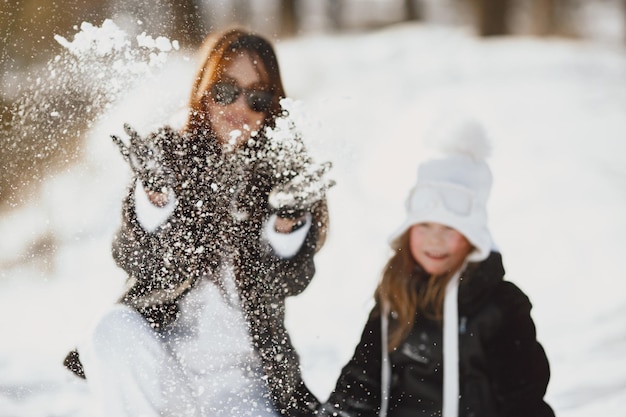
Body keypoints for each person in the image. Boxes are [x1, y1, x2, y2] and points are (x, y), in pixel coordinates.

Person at [64, 27, 333, 417]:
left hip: (244, 384)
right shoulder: (166, 155)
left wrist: (286, 226)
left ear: (272, 106)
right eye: (225, 90)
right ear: (204, 88)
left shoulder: (283, 169)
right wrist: (156, 201)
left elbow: (294, 280)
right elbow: (131, 258)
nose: (239, 106)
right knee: (111, 329)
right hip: (166, 370)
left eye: (257, 96)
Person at [320, 115, 554, 417]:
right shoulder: (396, 294)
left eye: (450, 229)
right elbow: (361, 381)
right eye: (424, 225)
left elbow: (524, 400)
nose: (435, 241)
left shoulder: (502, 307)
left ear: (473, 238)